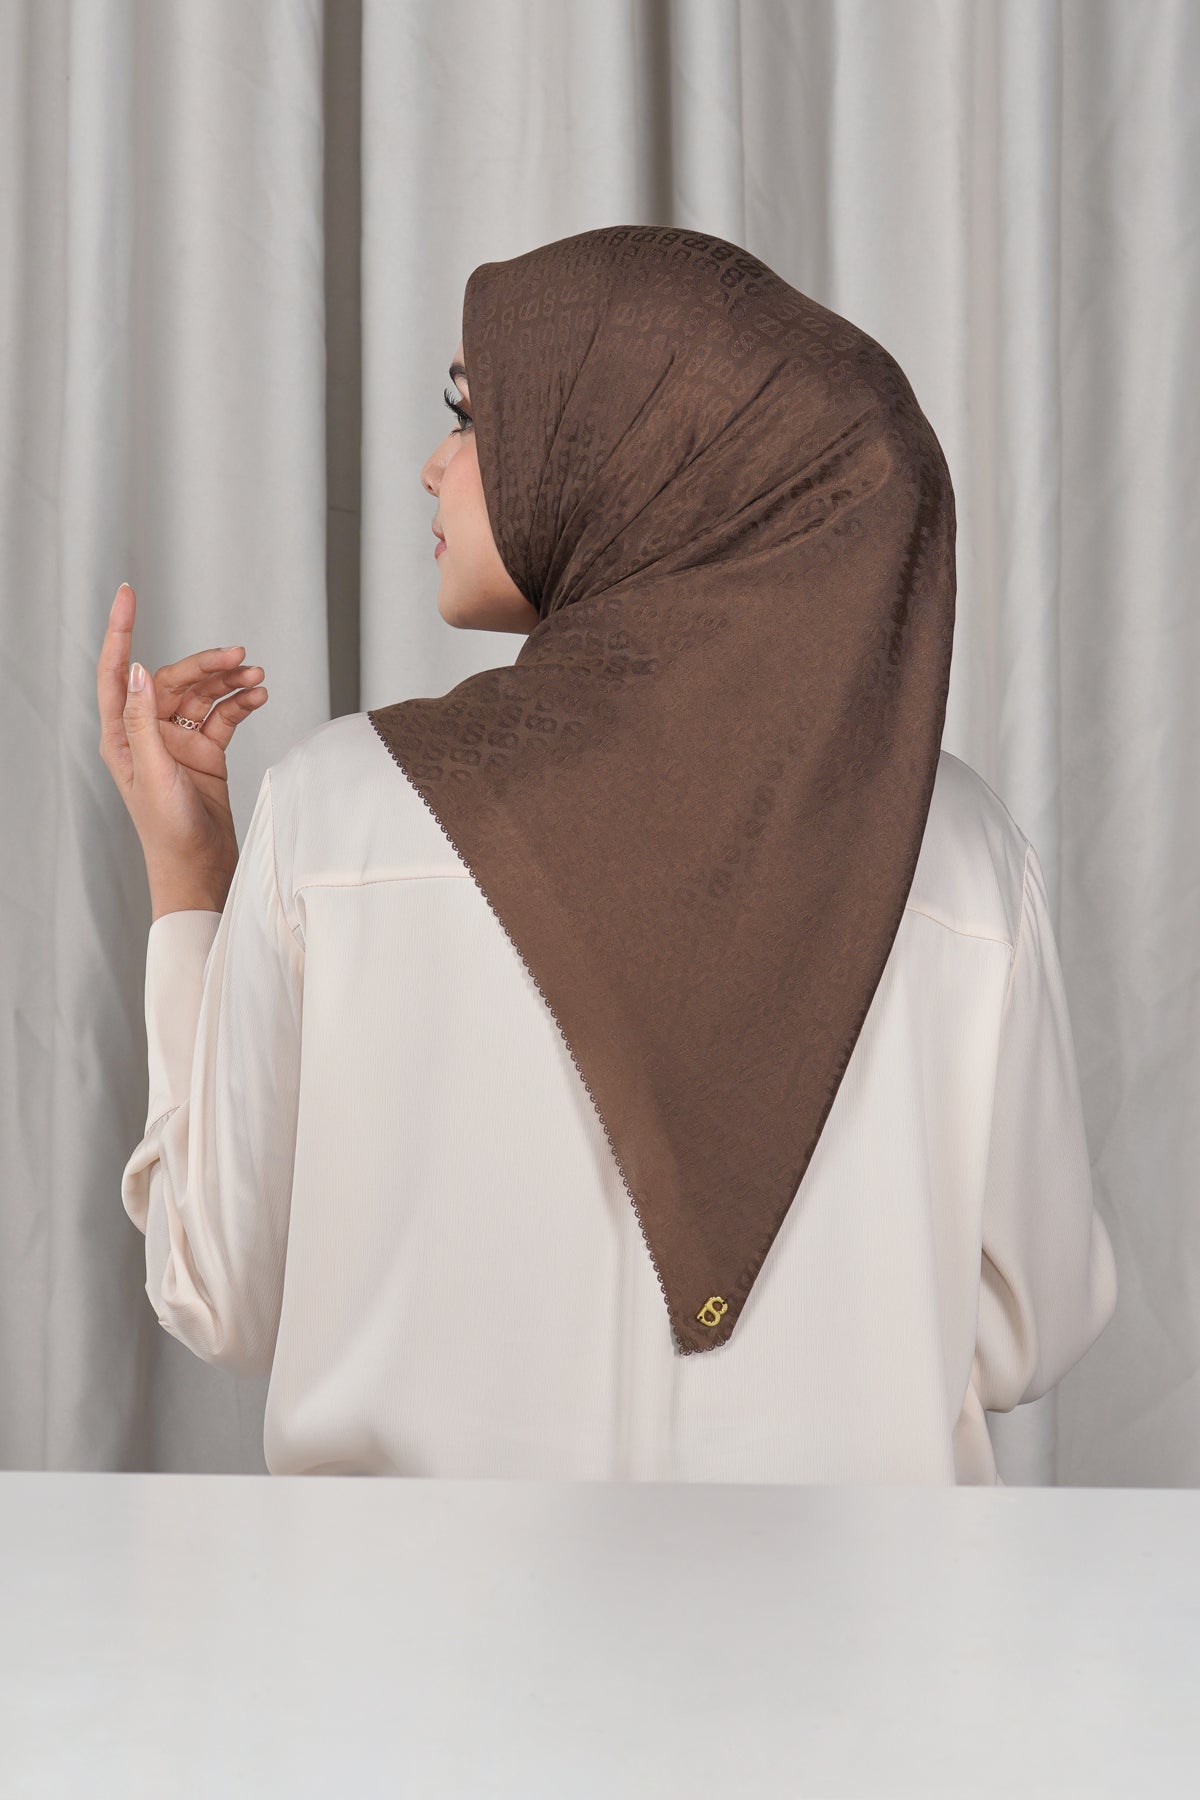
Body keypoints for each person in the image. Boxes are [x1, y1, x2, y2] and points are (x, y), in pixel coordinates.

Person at [102, 226, 1117, 1483]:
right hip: (850, 1607)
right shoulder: (957, 851)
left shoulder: (339, 811)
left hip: (406, 1610)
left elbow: (222, 1293)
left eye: (472, 418)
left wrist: (189, 884)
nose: (433, 465)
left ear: (633, 450)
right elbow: (1027, 1328)